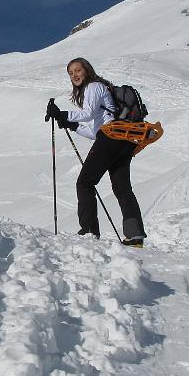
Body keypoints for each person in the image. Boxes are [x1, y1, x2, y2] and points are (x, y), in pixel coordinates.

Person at [46, 57, 146, 246]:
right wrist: (71, 124)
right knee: (122, 187)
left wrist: (62, 114)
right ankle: (135, 236)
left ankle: (90, 232)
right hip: (124, 140)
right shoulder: (101, 90)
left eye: (77, 70)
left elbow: (89, 114)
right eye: (70, 73)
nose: (74, 75)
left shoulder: (93, 86)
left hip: (111, 137)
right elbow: (94, 131)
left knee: (84, 183)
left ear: (87, 70)